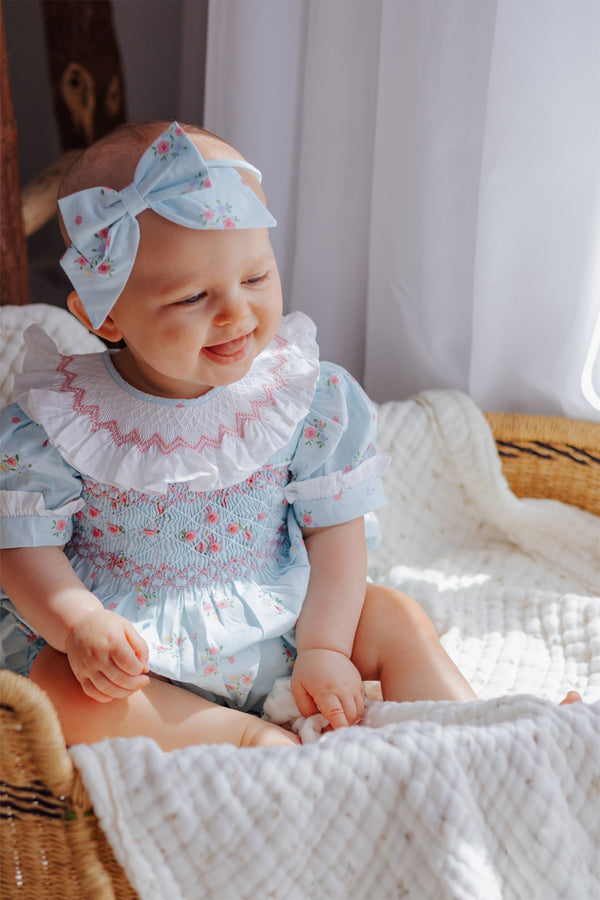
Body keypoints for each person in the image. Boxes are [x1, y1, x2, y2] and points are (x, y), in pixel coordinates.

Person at [0, 120, 479, 751]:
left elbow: (333, 527)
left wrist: (327, 647)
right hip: (133, 657)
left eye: (256, 278)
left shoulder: (297, 394)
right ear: (104, 315)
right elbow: (23, 547)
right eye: (194, 295)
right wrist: (79, 623)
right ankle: (248, 744)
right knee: (60, 696)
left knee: (398, 617)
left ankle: (484, 731)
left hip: (287, 626)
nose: (236, 312)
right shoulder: (63, 419)